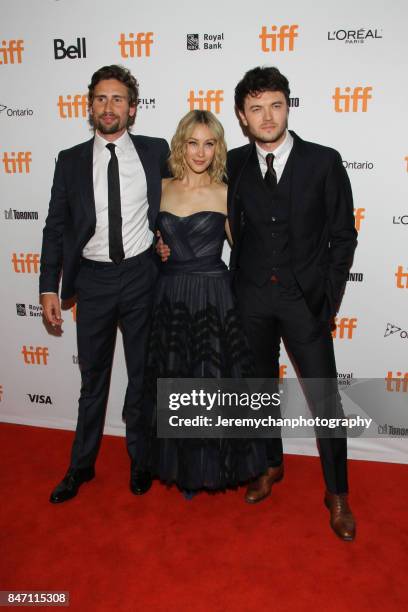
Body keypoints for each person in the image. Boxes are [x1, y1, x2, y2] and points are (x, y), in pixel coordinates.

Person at [158, 68, 358, 540]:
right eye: (255, 108)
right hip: (247, 298)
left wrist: (326, 298)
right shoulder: (236, 165)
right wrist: (163, 243)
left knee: (325, 398)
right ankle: (269, 465)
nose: (266, 116)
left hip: (304, 301)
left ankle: (338, 492)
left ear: (288, 106)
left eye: (275, 105)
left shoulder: (324, 162)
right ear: (242, 117)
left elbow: (343, 236)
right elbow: (193, 202)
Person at [40, 64, 170, 503]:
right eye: (100, 98)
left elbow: (179, 204)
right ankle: (81, 466)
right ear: (89, 105)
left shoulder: (155, 152)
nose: (108, 106)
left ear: (133, 109)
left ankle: (141, 460)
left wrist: (168, 242)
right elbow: (55, 228)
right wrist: (47, 288)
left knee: (142, 378)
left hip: (141, 277)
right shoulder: (70, 159)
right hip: (92, 282)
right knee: (92, 379)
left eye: (118, 99)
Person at [145, 109, 269, 492]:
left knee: (211, 382)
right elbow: (142, 236)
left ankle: (212, 466)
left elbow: (246, 249)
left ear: (219, 148)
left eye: (209, 144)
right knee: (176, 376)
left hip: (215, 296)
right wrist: (156, 247)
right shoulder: (160, 187)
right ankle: (182, 466)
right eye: (194, 142)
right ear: (182, 143)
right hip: (170, 295)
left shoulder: (225, 192)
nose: (200, 153)